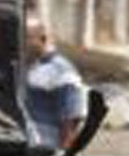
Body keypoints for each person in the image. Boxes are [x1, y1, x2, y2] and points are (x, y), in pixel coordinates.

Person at [24, 16, 87, 148]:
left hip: (45, 149)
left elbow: (71, 121)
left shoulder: (62, 71)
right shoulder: (22, 68)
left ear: (42, 39)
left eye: (27, 38)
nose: (22, 43)